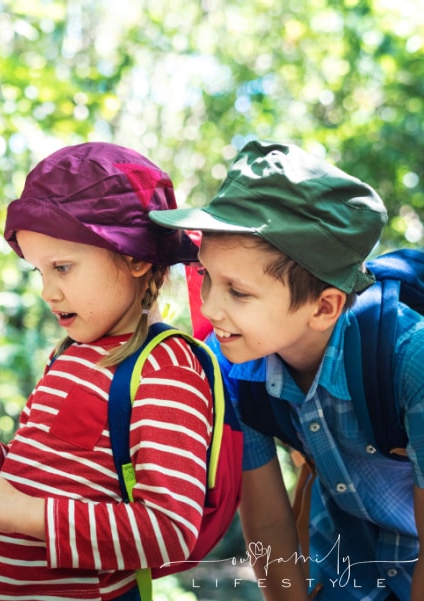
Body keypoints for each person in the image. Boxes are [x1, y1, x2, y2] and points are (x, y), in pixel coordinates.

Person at [0, 142, 215, 600]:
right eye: (40, 271)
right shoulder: (67, 357)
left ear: (137, 258)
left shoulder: (164, 368)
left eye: (62, 267)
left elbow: (168, 530)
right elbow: (60, 481)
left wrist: (22, 513)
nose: (47, 291)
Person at [149, 140, 424, 601]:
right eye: (207, 277)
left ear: (324, 307)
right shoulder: (228, 367)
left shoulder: (407, 361)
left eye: (238, 291)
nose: (210, 307)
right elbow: (268, 520)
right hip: (347, 568)